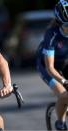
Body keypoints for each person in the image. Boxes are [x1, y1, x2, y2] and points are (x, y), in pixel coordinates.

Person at [37, 0, 68, 130]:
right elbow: (50, 67)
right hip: (47, 67)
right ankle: (60, 123)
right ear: (61, 23)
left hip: (65, 64)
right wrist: (64, 81)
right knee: (64, 94)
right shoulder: (52, 34)